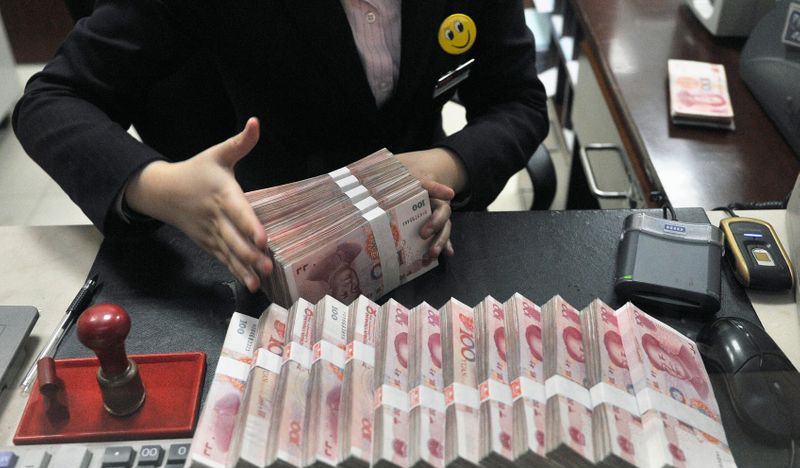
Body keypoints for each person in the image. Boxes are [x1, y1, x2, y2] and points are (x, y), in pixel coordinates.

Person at [13, 1, 548, 292]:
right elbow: (52, 100)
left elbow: (518, 101)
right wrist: (158, 187)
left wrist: (449, 164)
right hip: (258, 256)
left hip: (420, 247)